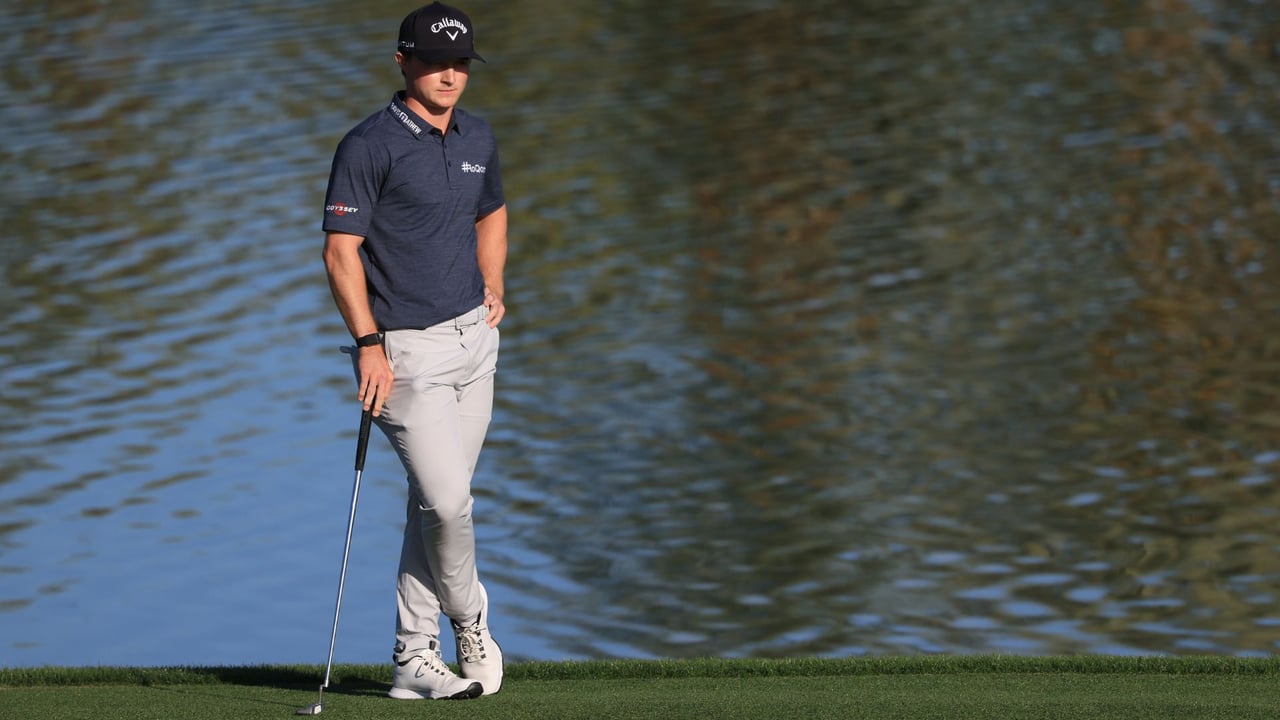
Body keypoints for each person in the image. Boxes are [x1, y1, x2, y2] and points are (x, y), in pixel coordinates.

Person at [321, 1, 506, 701]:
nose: (450, 74)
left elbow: (492, 210)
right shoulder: (368, 145)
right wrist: (368, 345)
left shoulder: (478, 137)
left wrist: (493, 283)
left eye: (460, 63)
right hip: (403, 355)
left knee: (433, 507)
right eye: (434, 61)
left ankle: (412, 659)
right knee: (450, 506)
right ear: (404, 62)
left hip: (473, 346)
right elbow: (341, 252)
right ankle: (473, 621)